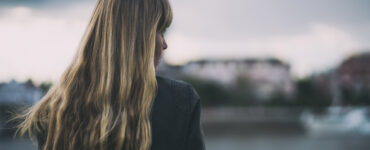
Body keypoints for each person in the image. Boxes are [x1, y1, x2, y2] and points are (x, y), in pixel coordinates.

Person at [14, 0, 206, 150]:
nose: (164, 44)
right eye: (160, 31)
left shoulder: (55, 109)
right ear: (138, 38)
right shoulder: (180, 102)